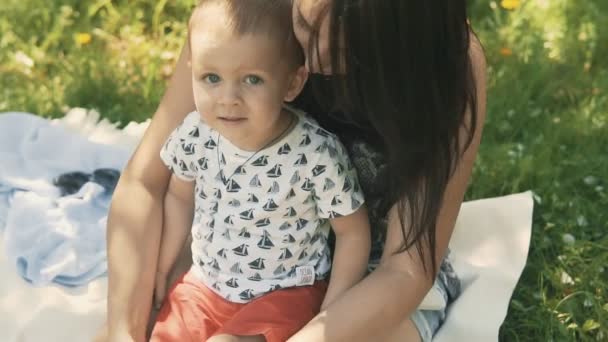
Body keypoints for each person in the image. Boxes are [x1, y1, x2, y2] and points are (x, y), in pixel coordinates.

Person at [98, 0, 487, 341]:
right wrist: (124, 326)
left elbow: (405, 269)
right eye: (306, 26)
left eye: (348, 45)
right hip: (236, 252)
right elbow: (147, 182)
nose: (313, 58)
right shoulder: (241, 15)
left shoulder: (447, 64)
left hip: (371, 281)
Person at [148, 1, 370, 341]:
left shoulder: (314, 154)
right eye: (211, 78)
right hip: (207, 284)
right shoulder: (196, 134)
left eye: (252, 79)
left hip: (286, 293)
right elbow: (179, 197)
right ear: (191, 70)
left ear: (293, 83)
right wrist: (164, 267)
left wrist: (331, 311)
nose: (228, 98)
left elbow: (353, 232)